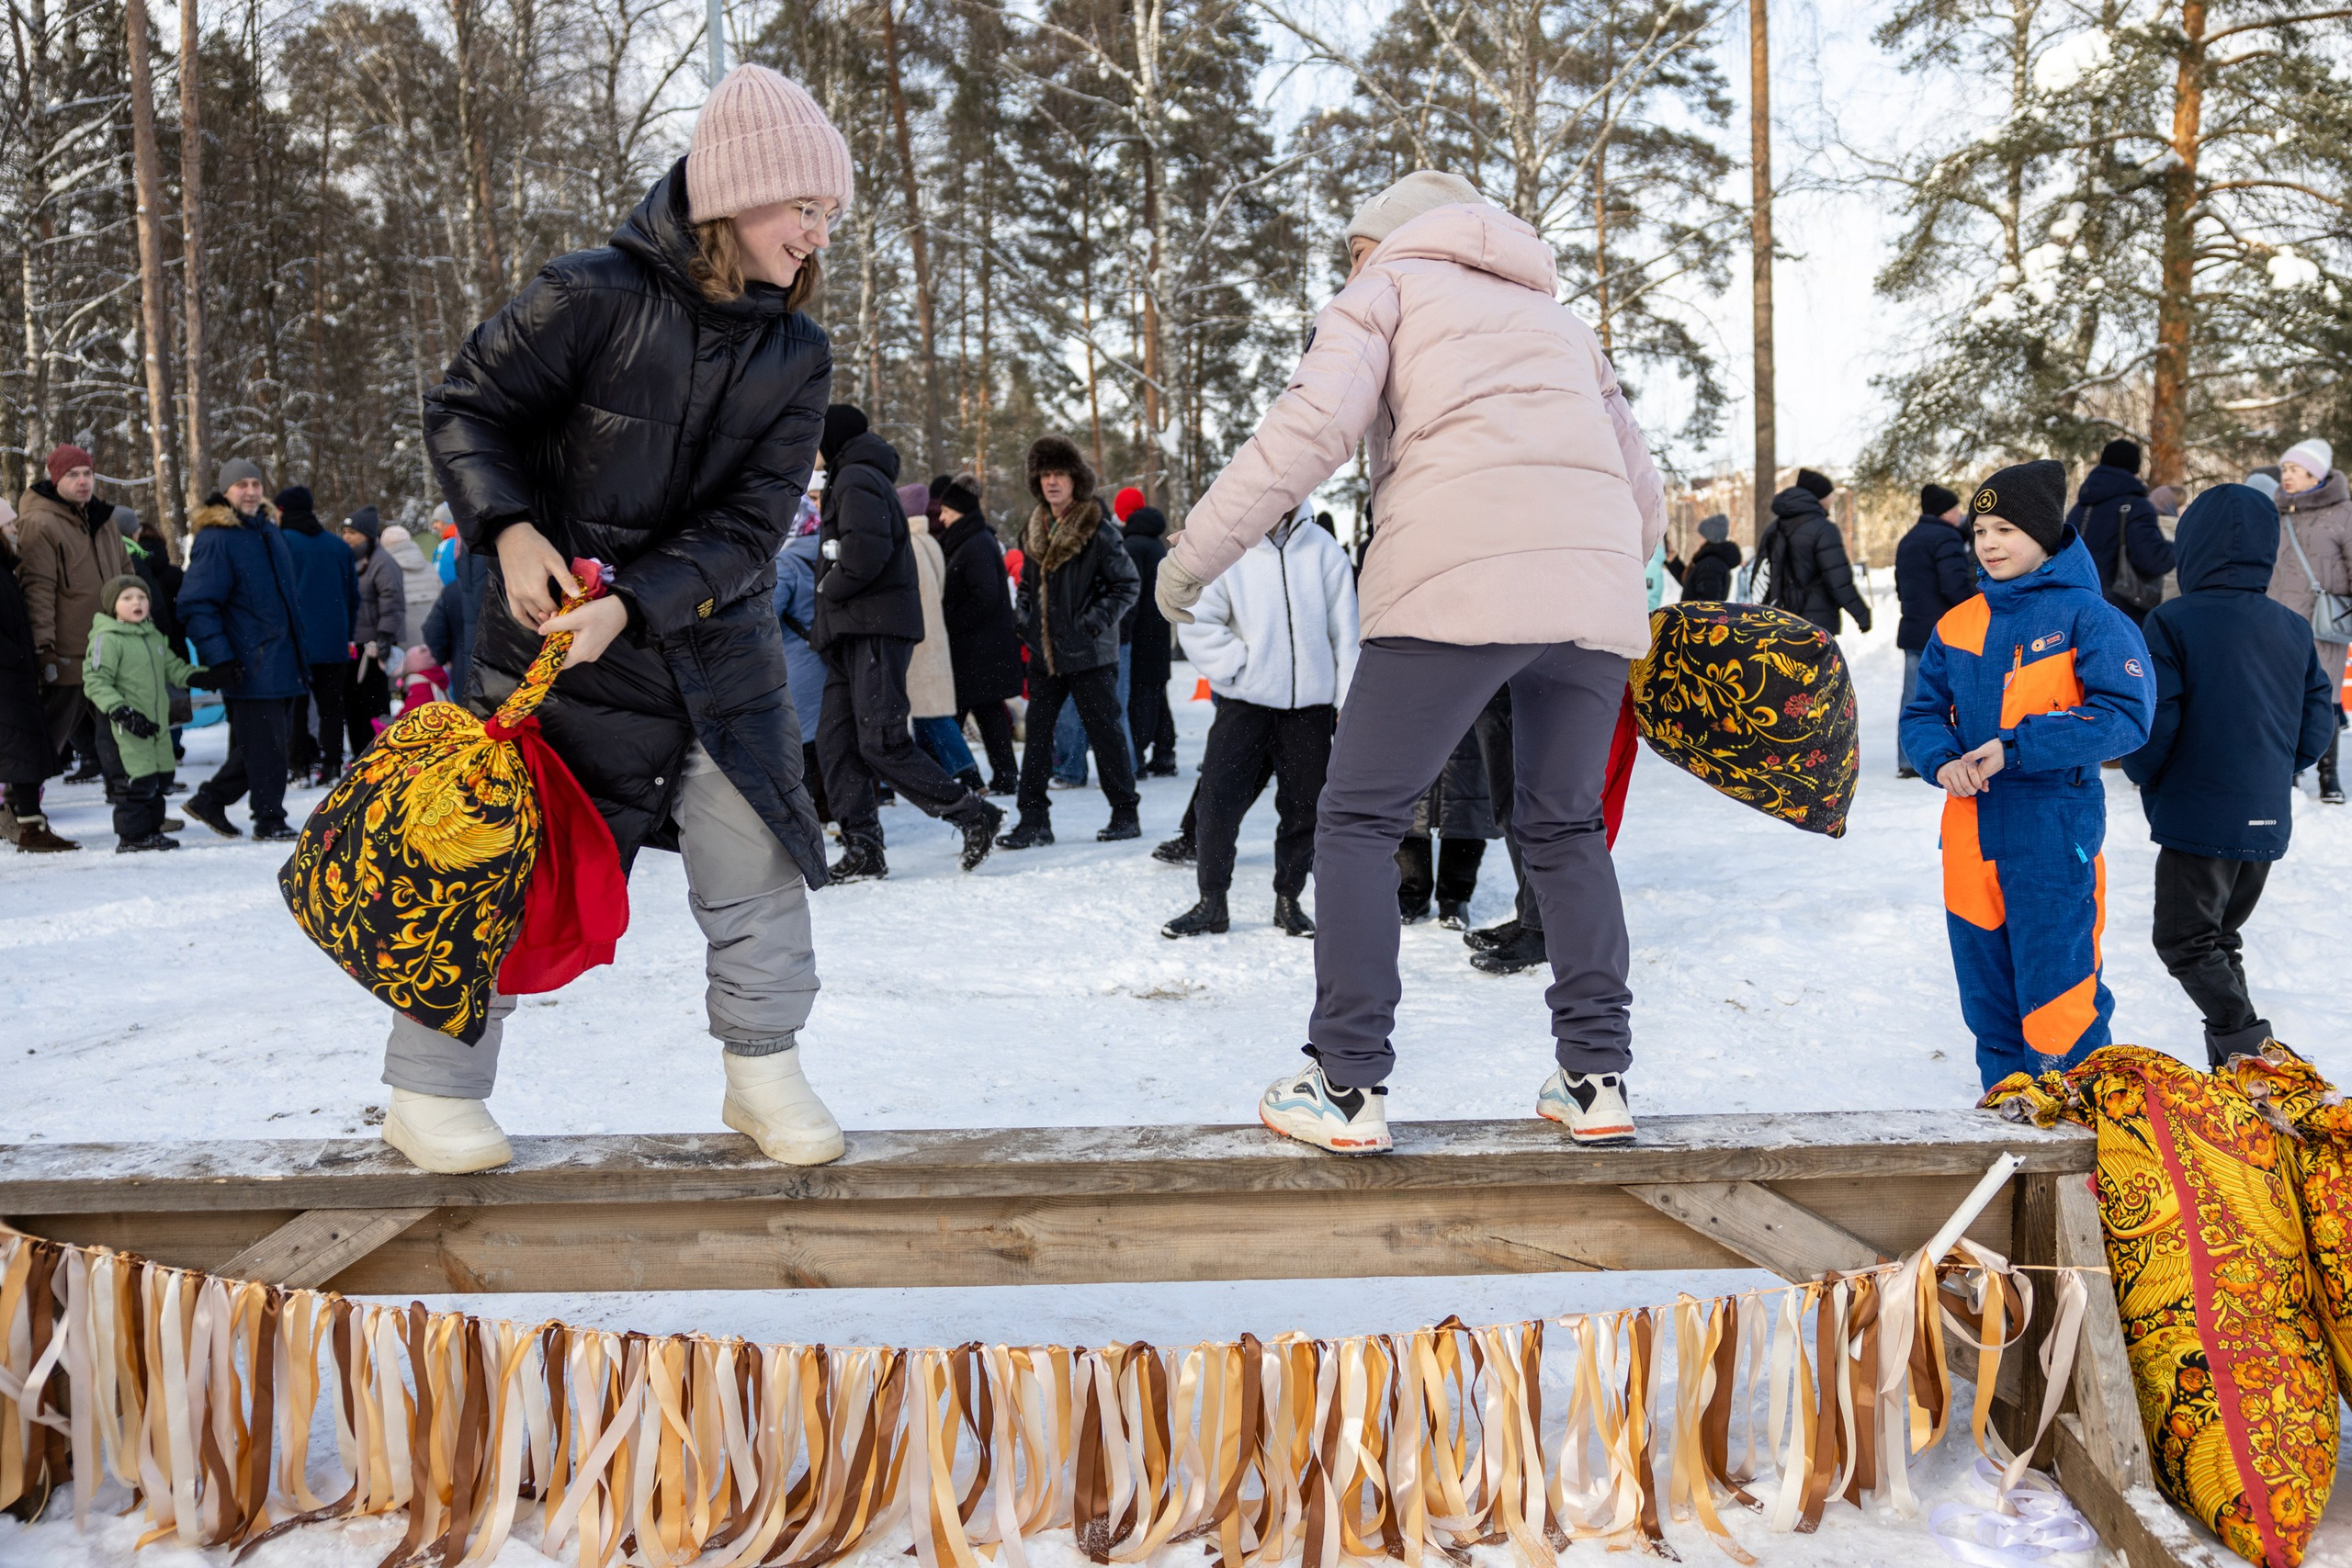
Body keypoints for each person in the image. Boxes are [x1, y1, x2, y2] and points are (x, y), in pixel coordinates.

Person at [1154, 170, 1666, 1151]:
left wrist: (1195, 558)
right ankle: (1596, 1078)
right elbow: (1641, 490)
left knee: (1356, 818)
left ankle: (1345, 1085)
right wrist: (1606, 574)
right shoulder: (1562, 323)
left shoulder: (1384, 288)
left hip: (1451, 580)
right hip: (1592, 595)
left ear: (1388, 240)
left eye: (1353, 248)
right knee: (1565, 826)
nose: (1348, 266)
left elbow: (1308, 431)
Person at [413, 63, 853, 1176]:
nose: (819, 233)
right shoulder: (587, 293)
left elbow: (756, 520)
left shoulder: (798, 352)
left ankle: (764, 1071)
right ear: (736, 193)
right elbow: (469, 408)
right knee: (495, 862)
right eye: (805, 207)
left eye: (830, 214)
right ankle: (430, 1089)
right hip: (555, 645)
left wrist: (639, 602)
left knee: (757, 852)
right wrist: (506, 529)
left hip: (712, 638)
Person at [1899, 459, 2155, 1089]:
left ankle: (2077, 1153)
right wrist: (1942, 760)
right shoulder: (1957, 623)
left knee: (2060, 1008)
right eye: (1981, 528)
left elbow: (2125, 716)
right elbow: (1922, 714)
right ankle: (2006, 1121)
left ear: (2045, 535)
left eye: (2006, 528)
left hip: (2051, 836)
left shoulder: (2088, 618)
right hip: (1969, 840)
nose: (1988, 542)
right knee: (1989, 1006)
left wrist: (2016, 747)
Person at [2120, 484, 2337, 1066]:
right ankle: (2239, 1074)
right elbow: (2320, 715)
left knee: (2184, 940)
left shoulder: (2172, 620)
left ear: (2192, 547)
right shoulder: (2290, 627)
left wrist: (2147, 776)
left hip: (2198, 809)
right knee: (2218, 939)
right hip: (2264, 810)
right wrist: (2277, 767)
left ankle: (2255, 1057)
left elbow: (2153, 718)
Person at [808, 405, 1000, 880]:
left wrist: (824, 590)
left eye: (811, 434)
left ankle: (972, 813)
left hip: (872, 628)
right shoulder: (849, 476)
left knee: (882, 742)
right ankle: (864, 845)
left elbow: (864, 555)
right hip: (848, 632)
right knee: (838, 742)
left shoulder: (856, 477)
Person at [1164, 505, 1357, 940]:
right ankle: (1212, 902)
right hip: (1244, 703)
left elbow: (1346, 631)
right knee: (1216, 802)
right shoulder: (1228, 549)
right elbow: (1196, 617)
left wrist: (1345, 699)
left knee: (1305, 807)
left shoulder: (1323, 550)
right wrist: (1238, 665)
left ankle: (1289, 901)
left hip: (1309, 707)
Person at [997, 435, 1141, 848]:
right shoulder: (1035, 525)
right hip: (1045, 653)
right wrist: (1023, 618)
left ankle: (1125, 813)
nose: (1052, 482)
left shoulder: (1098, 527)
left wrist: (1092, 624)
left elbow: (1127, 584)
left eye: (1059, 474)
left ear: (1076, 479)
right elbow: (1026, 584)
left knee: (1106, 735)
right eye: (1045, 475)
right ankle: (1033, 821)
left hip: (1090, 653)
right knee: (1039, 738)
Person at [177, 459, 309, 841]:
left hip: (284, 657)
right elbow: (197, 604)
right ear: (225, 491)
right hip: (251, 660)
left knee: (263, 743)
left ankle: (211, 801)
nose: (250, 491)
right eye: (241, 485)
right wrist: (219, 658)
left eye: (255, 483)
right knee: (268, 746)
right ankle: (269, 818)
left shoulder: (268, 531)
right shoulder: (216, 537)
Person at [16, 444, 130, 795]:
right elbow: (37, 589)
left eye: (87, 474)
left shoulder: (104, 519)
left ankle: (135, 814)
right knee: (46, 738)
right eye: (72, 475)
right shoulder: (39, 522)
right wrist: (43, 647)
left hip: (110, 648)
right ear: (55, 479)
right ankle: (18, 810)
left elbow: (127, 576)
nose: (83, 482)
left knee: (124, 732)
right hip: (67, 652)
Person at [83, 576, 215, 851]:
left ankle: (152, 830)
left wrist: (203, 677)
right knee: (132, 783)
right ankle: (132, 836)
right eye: (127, 598)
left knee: (156, 779)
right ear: (113, 606)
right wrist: (121, 711)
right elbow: (95, 681)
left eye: (141, 597)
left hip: (154, 725)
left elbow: (174, 668)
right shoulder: (107, 639)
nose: (136, 602)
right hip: (123, 727)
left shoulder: (152, 635)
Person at [2266, 437, 2350, 805]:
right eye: (2285, 468)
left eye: (2297, 470)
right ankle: (2291, 769)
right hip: (2278, 617)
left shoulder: (2344, 512)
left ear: (2316, 474)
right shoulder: (2275, 511)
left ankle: (2328, 774)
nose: (2288, 476)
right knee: (2283, 694)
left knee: (2324, 695)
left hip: (2322, 621)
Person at [933, 474, 1022, 794]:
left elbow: (984, 594)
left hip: (979, 649)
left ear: (959, 510)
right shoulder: (967, 539)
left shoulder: (975, 543)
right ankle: (994, 776)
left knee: (968, 714)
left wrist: (951, 622)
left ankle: (953, 777)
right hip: (975, 648)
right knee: (983, 714)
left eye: (946, 511)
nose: (941, 517)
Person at [0, 497, 72, 851]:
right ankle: (30, 828)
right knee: (21, 753)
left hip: (15, 676)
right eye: (9, 525)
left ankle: (31, 824)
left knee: (23, 753)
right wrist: (14, 658)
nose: (15, 530)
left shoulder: (5, 569)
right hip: (7, 678)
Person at [901, 480, 983, 792]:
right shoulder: (928, 541)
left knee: (931, 714)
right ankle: (938, 777)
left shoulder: (912, 545)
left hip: (921, 643)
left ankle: (968, 775)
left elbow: (917, 597)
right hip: (932, 640)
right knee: (928, 715)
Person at [277, 485, 358, 784]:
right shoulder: (338, 546)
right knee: (332, 705)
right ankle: (333, 764)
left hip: (296, 642)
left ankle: (298, 766)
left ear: (283, 511)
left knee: (297, 706)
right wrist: (345, 632)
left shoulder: (282, 543)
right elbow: (353, 596)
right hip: (334, 640)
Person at [1894, 482, 1976, 776]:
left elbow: (1900, 586)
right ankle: (1954, 752)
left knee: (1912, 697)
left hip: (1913, 626)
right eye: (1955, 509)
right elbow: (1954, 586)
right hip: (1942, 630)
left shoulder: (1909, 539)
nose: (1959, 514)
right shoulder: (1946, 539)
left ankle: (1908, 759)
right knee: (1955, 693)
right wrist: (1978, 608)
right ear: (1945, 512)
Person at [2066, 437, 2172, 623]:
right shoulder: (2135, 505)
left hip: (2077, 604)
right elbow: (2151, 559)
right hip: (2121, 609)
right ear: (2135, 466)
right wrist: (2177, 548)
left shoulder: (2079, 508)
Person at [1756, 468, 1871, 636]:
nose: (1832, 499)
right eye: (1830, 494)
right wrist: (1862, 614)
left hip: (1781, 621)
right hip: (1816, 624)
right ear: (1820, 497)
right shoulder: (1824, 529)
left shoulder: (1773, 528)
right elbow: (1839, 579)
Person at [1397, 728, 1493, 928]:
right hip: (1416, 712)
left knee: (1465, 810)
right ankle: (1410, 893)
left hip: (1471, 715)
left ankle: (1455, 898)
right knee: (1409, 809)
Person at [772, 495, 830, 818]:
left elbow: (769, 615)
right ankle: (832, 805)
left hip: (797, 661)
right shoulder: (828, 551)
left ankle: (805, 810)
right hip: (826, 657)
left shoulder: (786, 561)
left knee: (801, 742)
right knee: (827, 736)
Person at [341, 505, 406, 757]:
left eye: (352, 532)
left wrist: (385, 636)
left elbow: (392, 603)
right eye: (344, 532)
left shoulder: (384, 563)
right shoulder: (350, 560)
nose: (346, 537)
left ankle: (377, 754)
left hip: (373, 648)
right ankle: (359, 754)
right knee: (352, 705)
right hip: (352, 646)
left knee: (373, 704)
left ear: (366, 535)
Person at [1122, 498, 1180, 776]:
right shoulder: (1157, 544)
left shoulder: (1133, 546)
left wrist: (1124, 630)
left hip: (1141, 634)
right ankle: (1165, 753)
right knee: (1157, 695)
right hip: (1158, 629)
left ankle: (1138, 755)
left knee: (1142, 698)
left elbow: (1131, 594)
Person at [1664, 513, 1739, 603]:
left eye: (1702, 537)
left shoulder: (1712, 565)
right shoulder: (1711, 562)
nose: (1699, 541)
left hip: (1695, 616)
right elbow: (1692, 586)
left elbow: (1707, 606)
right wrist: (1674, 561)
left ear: (1710, 538)